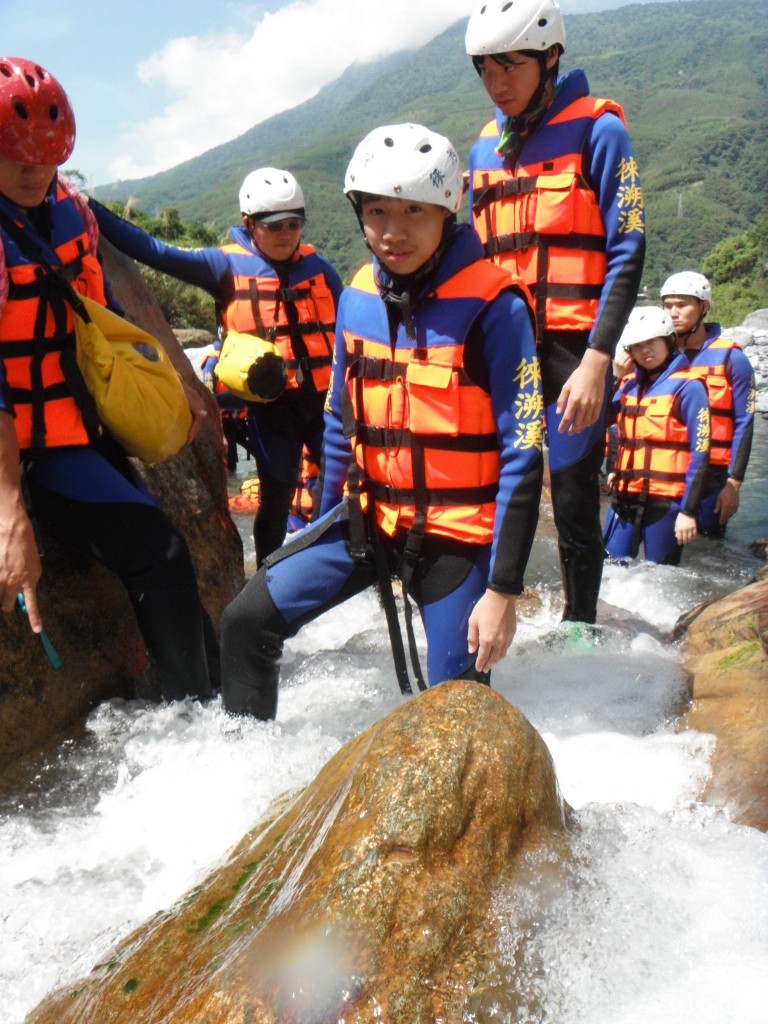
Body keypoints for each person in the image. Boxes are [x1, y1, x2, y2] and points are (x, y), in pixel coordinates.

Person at [220, 123, 544, 719]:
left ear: (447, 212)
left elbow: (524, 452)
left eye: (414, 212)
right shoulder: (359, 294)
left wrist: (504, 590)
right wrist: (318, 526)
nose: (393, 233)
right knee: (245, 622)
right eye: (377, 212)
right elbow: (341, 421)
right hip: (369, 523)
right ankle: (254, 782)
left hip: (456, 537)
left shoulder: (496, 307)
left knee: (457, 709)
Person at [0, 56, 218, 701]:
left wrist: (169, 387)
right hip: (34, 451)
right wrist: (10, 514)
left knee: (169, 559)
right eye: (17, 157)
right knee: (160, 552)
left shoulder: (71, 211)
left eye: (47, 156)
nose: (35, 170)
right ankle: (195, 722)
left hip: (83, 425)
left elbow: (110, 318)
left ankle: (214, 707)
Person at [465, 0, 645, 625]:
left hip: (573, 351)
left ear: (551, 58)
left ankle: (581, 630)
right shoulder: (484, 148)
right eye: (484, 70)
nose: (497, 84)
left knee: (570, 494)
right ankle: (482, 611)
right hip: (501, 349)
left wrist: (598, 359)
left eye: (510, 66)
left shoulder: (599, 130)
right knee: (490, 487)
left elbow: (628, 246)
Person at [89, 168, 343, 566]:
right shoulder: (223, 267)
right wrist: (88, 208)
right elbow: (153, 250)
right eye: (274, 225)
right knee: (277, 501)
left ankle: (326, 562)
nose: (286, 233)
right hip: (271, 408)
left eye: (294, 224)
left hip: (323, 403)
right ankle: (270, 575)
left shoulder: (320, 269)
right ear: (249, 224)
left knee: (335, 485)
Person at [603, 307, 711, 565]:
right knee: (609, 570)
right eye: (637, 345)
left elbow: (701, 453)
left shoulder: (690, 388)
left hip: (666, 503)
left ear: (669, 341)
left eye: (651, 341)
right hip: (625, 498)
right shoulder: (628, 385)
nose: (645, 350)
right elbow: (607, 423)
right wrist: (616, 377)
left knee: (660, 577)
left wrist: (688, 511)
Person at [660, 271, 755, 538]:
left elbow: (744, 423)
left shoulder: (732, 359)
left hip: (712, 478)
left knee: (709, 551)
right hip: (664, 472)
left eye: (682, 304)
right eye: (668, 305)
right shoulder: (654, 355)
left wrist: (733, 484)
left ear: (703, 307)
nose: (673, 313)